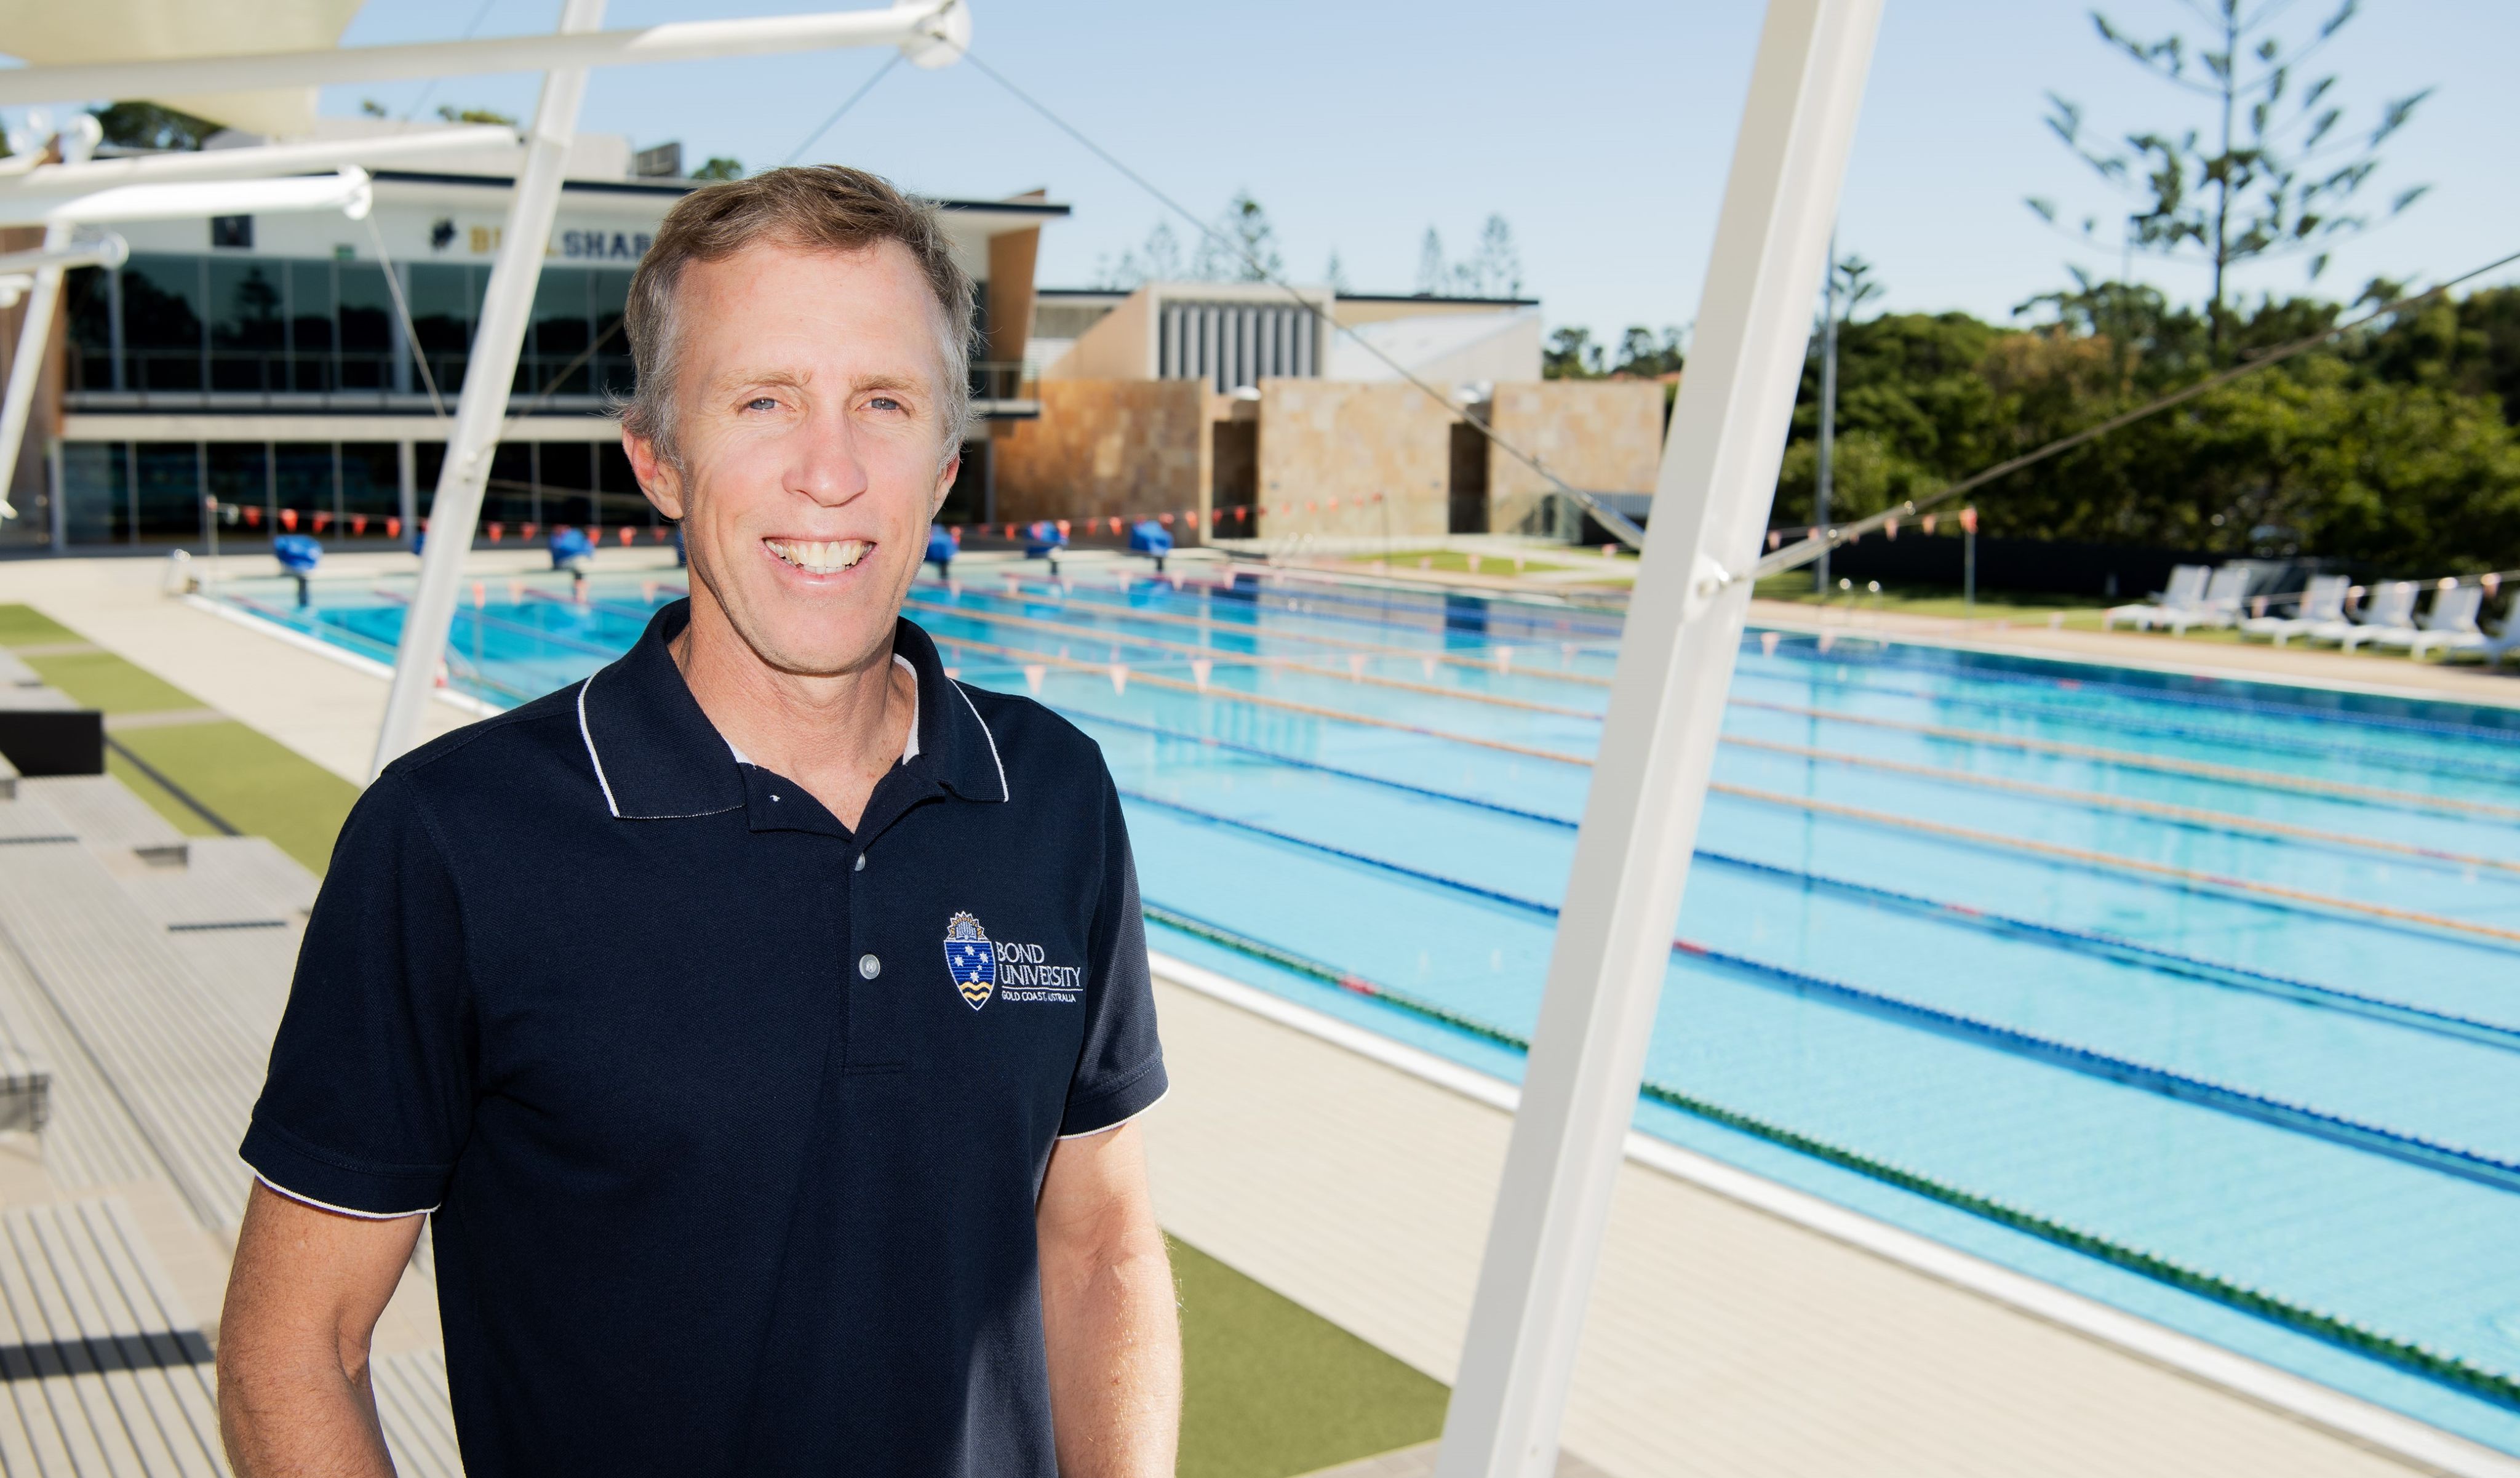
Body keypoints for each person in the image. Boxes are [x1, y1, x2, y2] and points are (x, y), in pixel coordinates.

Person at [217, 166, 1178, 1477]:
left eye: (882, 403)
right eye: (763, 399)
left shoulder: (1052, 795)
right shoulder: (454, 841)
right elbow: (295, 1343)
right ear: (658, 460)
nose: (828, 471)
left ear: (945, 467)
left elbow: (1100, 1242)